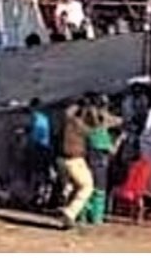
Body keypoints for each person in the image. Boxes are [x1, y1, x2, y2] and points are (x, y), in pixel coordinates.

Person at [59, 98, 94, 230]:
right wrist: (90, 111)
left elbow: (67, 113)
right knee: (87, 186)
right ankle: (70, 213)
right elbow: (92, 129)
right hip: (75, 159)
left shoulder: (66, 122)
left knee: (74, 187)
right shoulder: (78, 124)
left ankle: (68, 218)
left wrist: (79, 105)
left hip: (63, 160)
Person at [26, 98, 55, 208]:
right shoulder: (45, 118)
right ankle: (42, 197)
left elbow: (33, 134)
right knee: (43, 174)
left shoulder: (35, 117)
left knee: (36, 173)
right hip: (45, 148)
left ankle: (37, 198)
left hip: (37, 148)